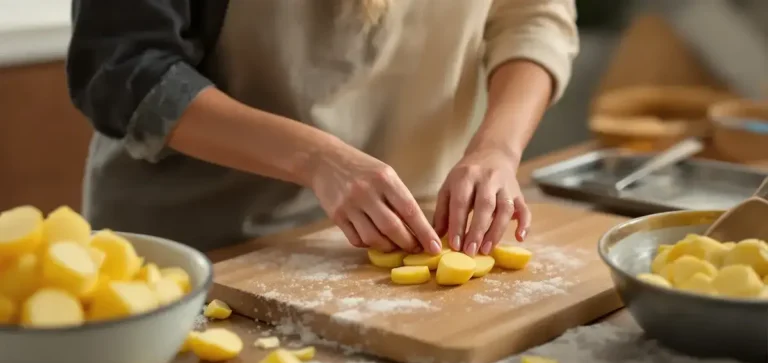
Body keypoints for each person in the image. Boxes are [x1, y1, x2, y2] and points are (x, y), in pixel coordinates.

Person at [66, 0, 579, 256]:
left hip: (411, 230)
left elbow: (535, 14)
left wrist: (497, 150)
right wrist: (314, 157)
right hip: (203, 249)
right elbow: (123, 67)